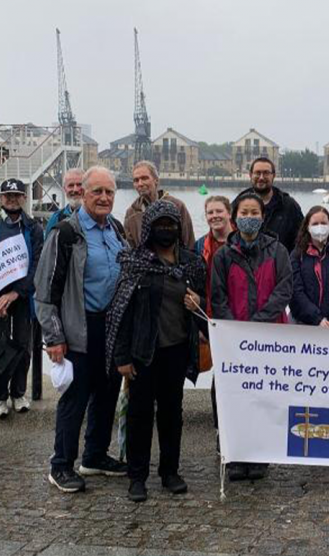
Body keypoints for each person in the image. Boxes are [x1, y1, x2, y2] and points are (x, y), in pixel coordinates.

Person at [35, 166, 129, 493]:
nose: (104, 198)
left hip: (111, 327)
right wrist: (54, 337)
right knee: (75, 399)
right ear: (83, 194)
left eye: (109, 192)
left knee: (106, 394)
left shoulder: (116, 230)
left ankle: (95, 455)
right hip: (78, 327)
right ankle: (60, 465)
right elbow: (45, 292)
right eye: (97, 192)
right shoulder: (66, 233)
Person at [106, 200, 208, 503]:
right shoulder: (135, 262)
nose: (167, 229)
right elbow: (120, 311)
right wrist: (121, 358)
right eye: (160, 224)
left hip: (176, 351)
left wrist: (196, 303)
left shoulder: (191, 263)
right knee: (139, 415)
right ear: (150, 227)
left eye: (171, 224)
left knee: (172, 414)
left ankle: (170, 472)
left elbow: (202, 309)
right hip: (143, 351)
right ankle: (137, 476)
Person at [210, 192, 293, 482]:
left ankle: (260, 453)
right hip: (234, 339)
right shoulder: (223, 255)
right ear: (234, 218)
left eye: (255, 212)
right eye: (244, 212)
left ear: (263, 217)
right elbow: (217, 296)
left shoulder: (278, 251)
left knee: (264, 395)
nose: (250, 217)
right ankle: (234, 453)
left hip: (269, 336)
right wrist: (235, 329)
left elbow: (285, 288)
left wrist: (260, 321)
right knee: (234, 395)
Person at [0, 178, 43, 417]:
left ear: (24, 198)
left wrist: (16, 293)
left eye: (17, 195)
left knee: (23, 346)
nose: (12, 199)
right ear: (0, 198)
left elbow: (37, 266)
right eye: (8, 196)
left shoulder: (33, 228)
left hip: (22, 297)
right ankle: (0, 396)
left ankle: (18, 393)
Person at [289, 205, 329, 327]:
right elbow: (296, 290)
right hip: (304, 323)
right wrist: (316, 318)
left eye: (323, 223)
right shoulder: (297, 255)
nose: (319, 227)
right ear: (307, 227)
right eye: (315, 223)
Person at [234, 157, 303, 251]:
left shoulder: (289, 206)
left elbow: (302, 239)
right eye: (257, 173)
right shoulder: (238, 204)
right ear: (250, 175)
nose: (261, 177)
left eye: (266, 173)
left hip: (281, 262)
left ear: (273, 175)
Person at [124, 161, 195, 250]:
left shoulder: (177, 206)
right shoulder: (131, 213)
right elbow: (131, 247)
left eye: (144, 178)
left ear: (156, 180)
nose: (140, 184)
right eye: (136, 180)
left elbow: (188, 242)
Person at [195, 196, 233, 305]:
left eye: (219, 211)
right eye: (210, 213)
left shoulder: (242, 242)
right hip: (210, 305)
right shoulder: (199, 246)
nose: (215, 216)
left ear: (229, 214)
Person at [45, 168, 85, 238]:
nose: (75, 190)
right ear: (64, 189)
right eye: (71, 185)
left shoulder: (99, 217)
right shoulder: (56, 219)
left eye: (79, 185)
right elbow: (48, 247)